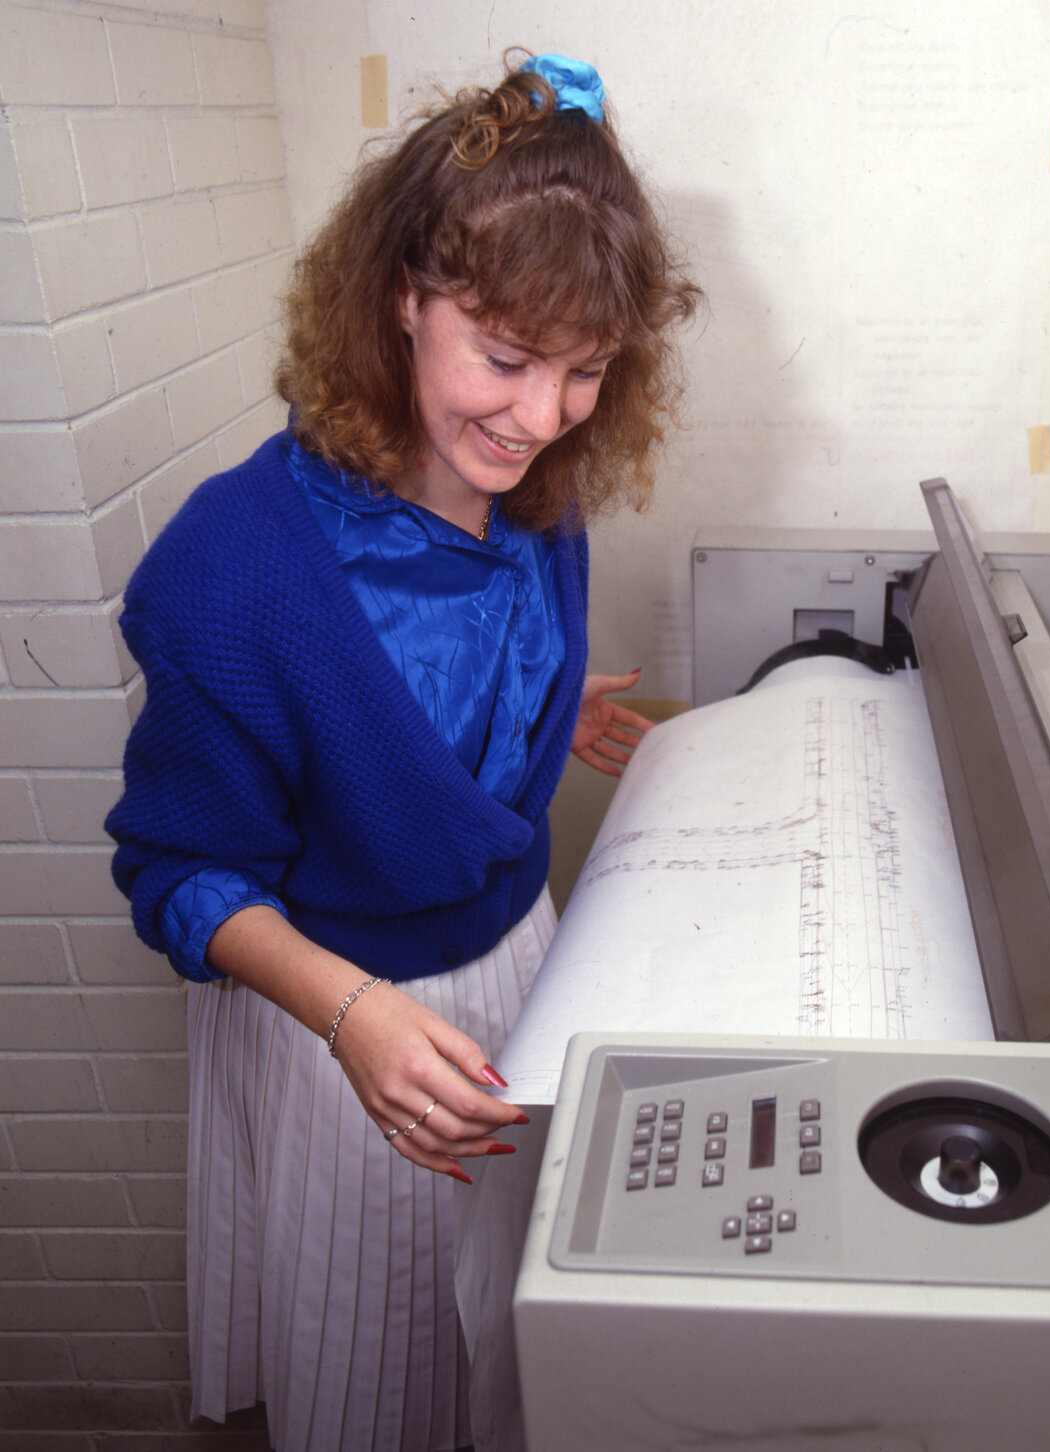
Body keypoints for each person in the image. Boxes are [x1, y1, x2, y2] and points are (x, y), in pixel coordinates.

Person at [105, 53, 700, 1451]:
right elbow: (180, 872)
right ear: (402, 302)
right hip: (344, 1023)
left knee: (504, 1340)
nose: (545, 414)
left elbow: (429, 729)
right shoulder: (232, 571)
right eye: (505, 358)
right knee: (372, 1372)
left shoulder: (539, 492)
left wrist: (542, 727)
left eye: (587, 372)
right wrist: (353, 1017)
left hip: (516, 963)